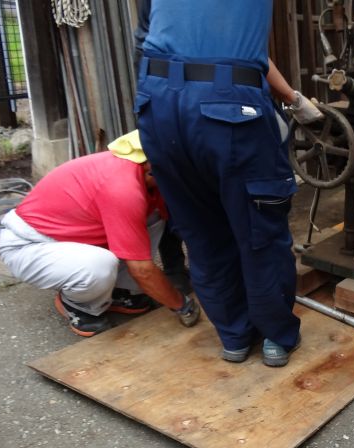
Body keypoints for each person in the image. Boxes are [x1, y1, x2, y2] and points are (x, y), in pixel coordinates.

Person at [135, 2, 319, 367]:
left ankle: (234, 337)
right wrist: (295, 100)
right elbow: (244, 55)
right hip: (230, 105)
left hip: (157, 103)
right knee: (259, 230)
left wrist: (290, 97)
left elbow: (145, 40)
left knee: (201, 230)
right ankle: (275, 336)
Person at [0, 130, 200, 337]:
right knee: (100, 266)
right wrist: (182, 304)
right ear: (152, 168)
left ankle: (119, 290)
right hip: (29, 245)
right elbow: (142, 270)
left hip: (68, 236)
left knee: (153, 216)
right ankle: (78, 305)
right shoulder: (123, 188)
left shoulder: (139, 168)